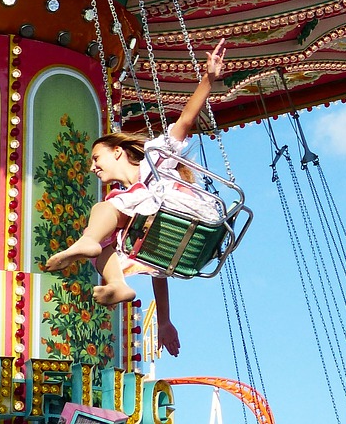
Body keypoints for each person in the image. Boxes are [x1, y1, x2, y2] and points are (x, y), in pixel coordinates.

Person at [43, 40, 228, 356]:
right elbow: (158, 267)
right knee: (106, 243)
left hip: (180, 207)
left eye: (96, 158)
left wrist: (208, 80)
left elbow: (184, 121)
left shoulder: (154, 160)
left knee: (105, 209)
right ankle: (117, 282)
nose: (92, 167)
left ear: (117, 151)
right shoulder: (128, 205)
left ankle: (86, 240)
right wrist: (166, 321)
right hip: (165, 223)